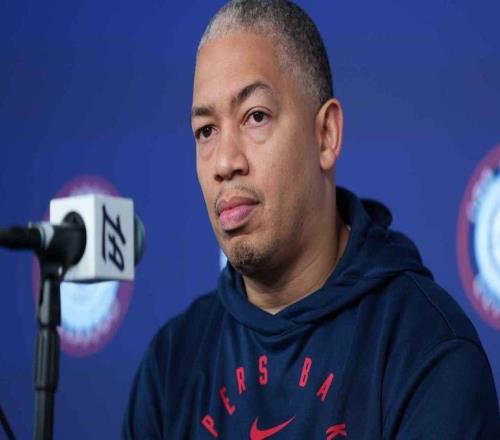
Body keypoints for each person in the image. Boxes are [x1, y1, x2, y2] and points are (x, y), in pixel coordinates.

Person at [123, 0, 500, 438]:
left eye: (255, 117)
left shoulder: (427, 350)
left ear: (326, 135)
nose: (224, 162)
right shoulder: (170, 365)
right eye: (206, 131)